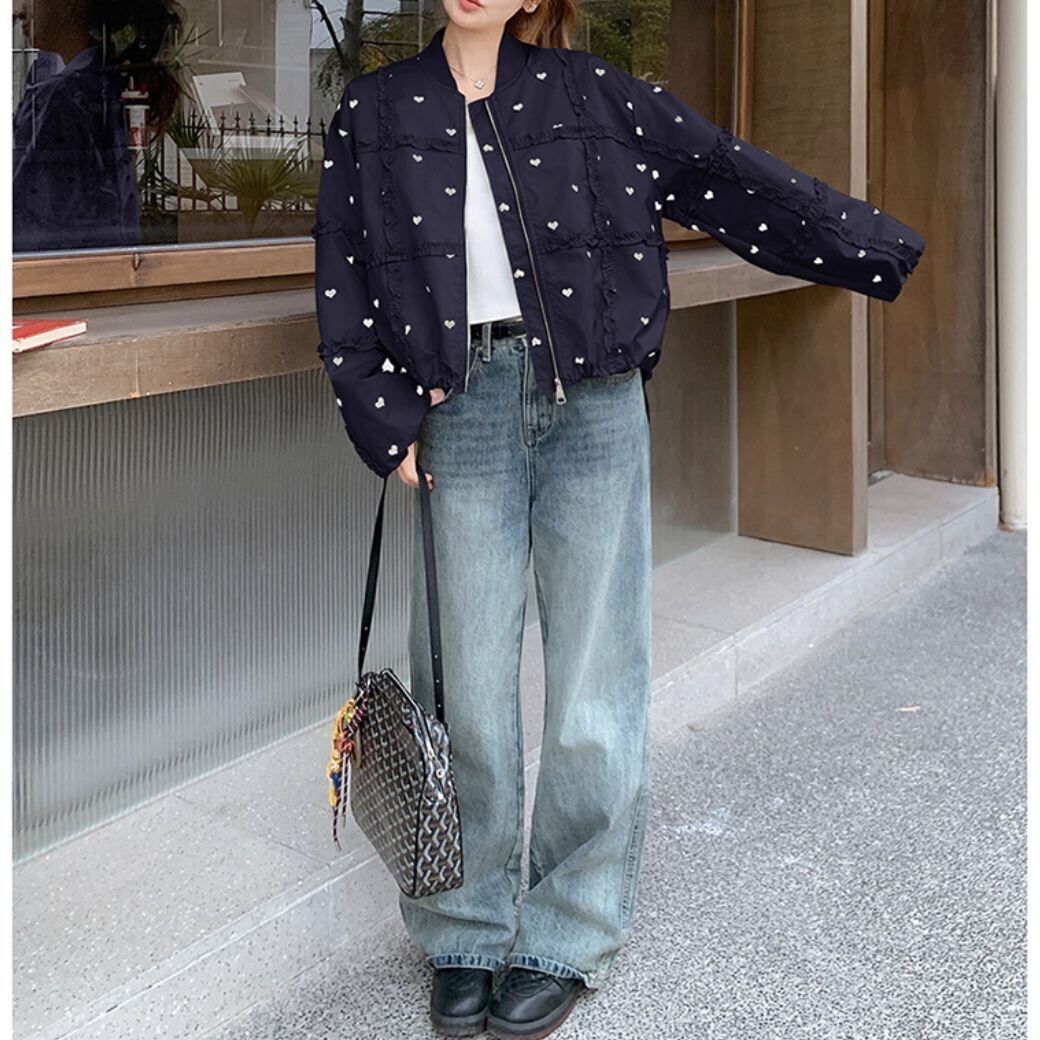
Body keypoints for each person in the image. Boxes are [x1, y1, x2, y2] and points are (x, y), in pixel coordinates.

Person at [311, 3, 925, 1037]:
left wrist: (871, 247)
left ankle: (570, 926)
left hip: (593, 409)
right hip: (458, 412)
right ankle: (462, 926)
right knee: (463, 679)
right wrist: (381, 414)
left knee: (596, 679)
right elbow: (343, 269)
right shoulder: (374, 109)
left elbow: (729, 176)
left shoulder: (595, 95)